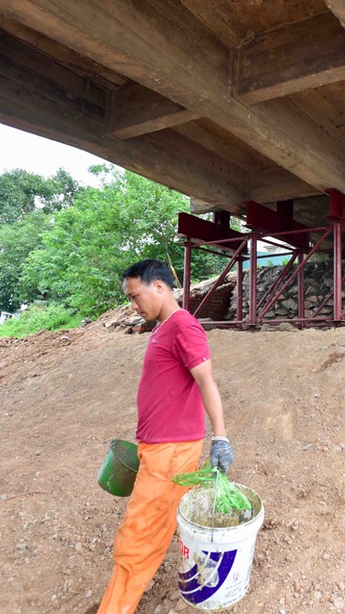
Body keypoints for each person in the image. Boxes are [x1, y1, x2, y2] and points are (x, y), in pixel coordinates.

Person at [97, 259, 234, 614]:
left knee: (138, 536)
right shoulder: (162, 327)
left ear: (159, 287)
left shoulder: (183, 327)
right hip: (157, 447)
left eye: (135, 296)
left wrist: (221, 438)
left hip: (170, 452)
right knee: (157, 525)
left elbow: (207, 381)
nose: (133, 305)